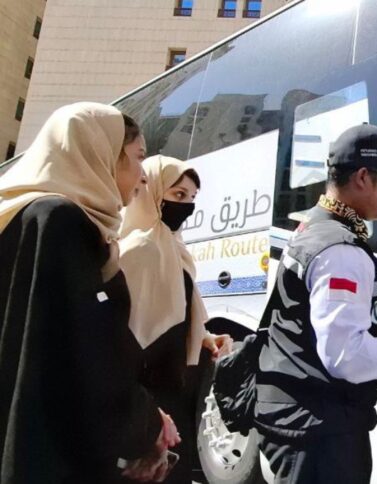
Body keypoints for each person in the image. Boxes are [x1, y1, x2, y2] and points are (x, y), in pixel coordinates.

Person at [254, 124, 377, 483]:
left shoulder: (314, 227)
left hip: (304, 420)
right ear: (363, 176)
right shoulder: (341, 250)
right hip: (320, 431)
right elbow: (344, 354)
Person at [0, 103, 179, 483]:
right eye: (137, 159)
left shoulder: (18, 216)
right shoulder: (62, 222)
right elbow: (86, 356)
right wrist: (148, 423)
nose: (142, 178)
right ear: (99, 155)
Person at [119, 155, 233, 482]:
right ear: (152, 191)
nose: (186, 205)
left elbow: (173, 312)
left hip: (174, 389)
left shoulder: (172, 245)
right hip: (146, 394)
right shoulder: (138, 248)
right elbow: (124, 332)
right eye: (178, 195)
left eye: (192, 198)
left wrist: (204, 338)